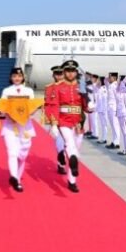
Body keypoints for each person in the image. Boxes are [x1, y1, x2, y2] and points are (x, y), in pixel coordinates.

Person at [48, 60, 89, 193]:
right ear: (64, 72)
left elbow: (85, 106)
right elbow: (53, 106)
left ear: (76, 72)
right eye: (68, 71)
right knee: (70, 144)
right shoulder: (58, 87)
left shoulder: (81, 86)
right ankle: (71, 158)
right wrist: (54, 124)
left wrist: (90, 107)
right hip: (64, 121)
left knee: (76, 150)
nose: (70, 74)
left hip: (78, 122)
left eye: (73, 71)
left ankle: (72, 180)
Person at [0, 67, 37, 192]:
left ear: (23, 78)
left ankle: (18, 177)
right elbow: (2, 107)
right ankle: (15, 178)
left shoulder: (29, 91)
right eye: (14, 76)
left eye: (19, 76)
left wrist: (27, 114)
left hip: (25, 127)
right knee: (12, 152)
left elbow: (32, 108)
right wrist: (10, 116)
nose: (17, 78)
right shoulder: (6, 91)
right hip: (10, 126)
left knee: (23, 155)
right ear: (11, 78)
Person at [44, 65, 66, 175]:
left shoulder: (69, 87)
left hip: (67, 118)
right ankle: (61, 162)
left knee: (67, 143)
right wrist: (52, 122)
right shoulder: (49, 88)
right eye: (57, 74)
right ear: (53, 75)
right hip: (55, 118)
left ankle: (61, 158)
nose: (59, 76)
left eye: (61, 74)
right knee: (60, 142)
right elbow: (48, 105)